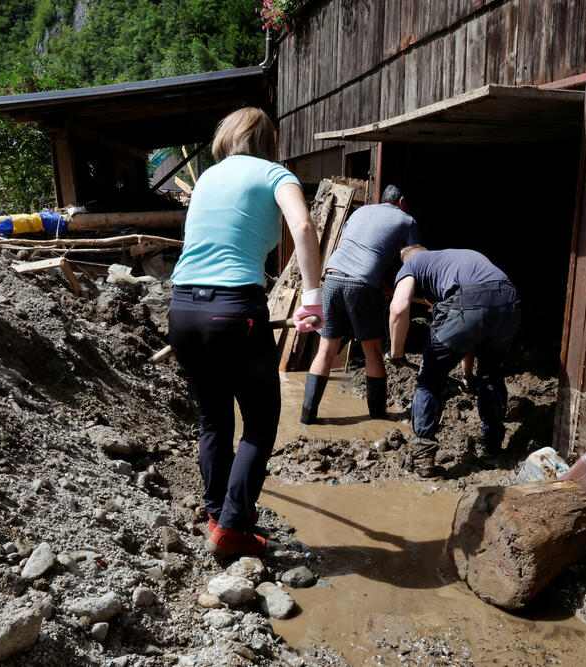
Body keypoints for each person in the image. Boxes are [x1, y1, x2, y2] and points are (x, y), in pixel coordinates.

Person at [169, 107, 323, 556]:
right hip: (235, 310)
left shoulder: (207, 179)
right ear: (269, 141)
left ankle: (218, 513)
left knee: (214, 419)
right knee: (260, 420)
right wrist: (312, 298)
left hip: (183, 309)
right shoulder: (275, 174)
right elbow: (303, 225)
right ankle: (233, 528)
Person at [388, 246, 521, 477]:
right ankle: (493, 445)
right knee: (490, 374)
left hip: (471, 303)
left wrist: (396, 353)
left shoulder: (412, 264)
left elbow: (399, 308)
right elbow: (471, 331)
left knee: (429, 378)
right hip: (509, 303)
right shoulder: (454, 261)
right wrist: (467, 376)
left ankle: (423, 456)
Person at [301, 185, 420, 424]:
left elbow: (344, 246)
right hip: (362, 285)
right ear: (402, 201)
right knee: (372, 351)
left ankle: (307, 416)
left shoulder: (361, 212)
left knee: (326, 349)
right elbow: (413, 259)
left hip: (333, 277)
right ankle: (377, 416)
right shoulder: (407, 220)